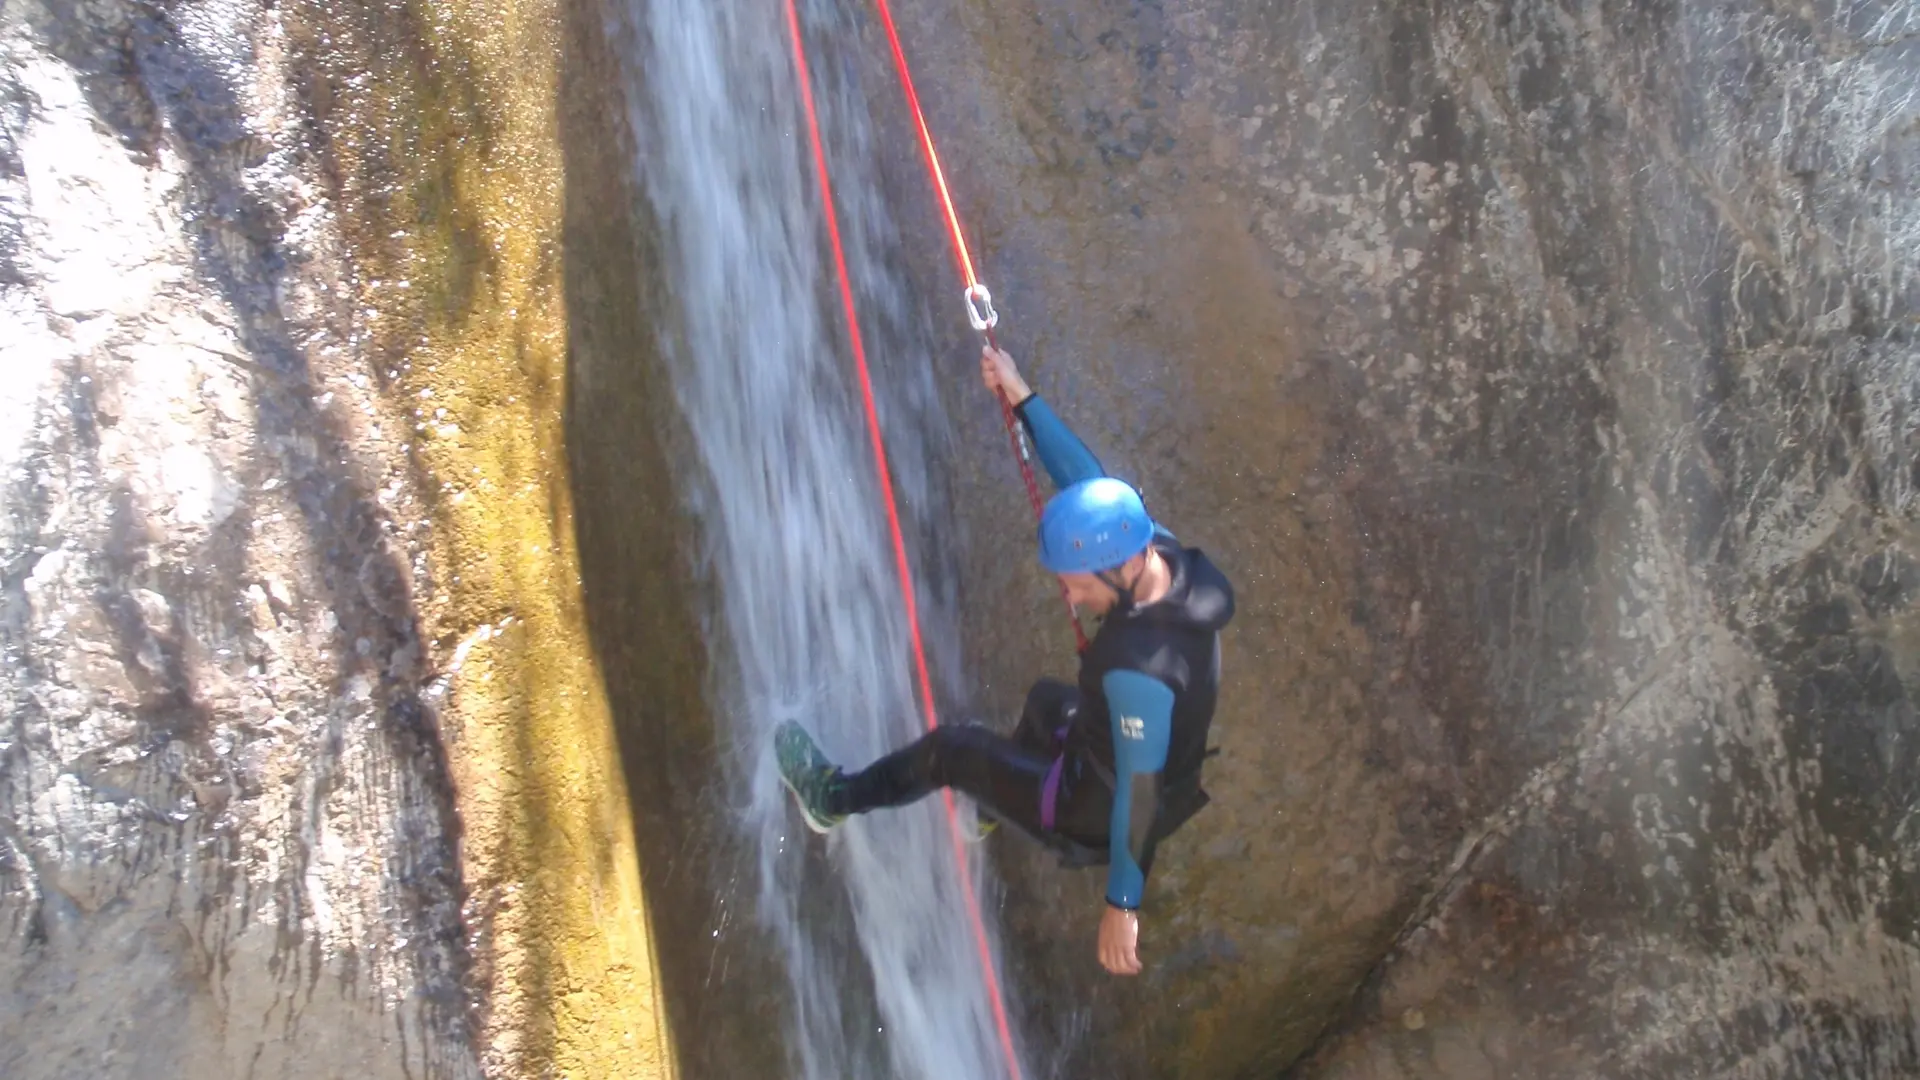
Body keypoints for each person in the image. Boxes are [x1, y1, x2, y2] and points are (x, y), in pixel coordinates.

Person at [774, 344, 1235, 977]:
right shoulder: (1160, 553)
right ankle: (990, 810)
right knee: (1049, 701)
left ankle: (832, 800)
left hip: (1090, 808)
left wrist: (1122, 905)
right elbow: (1084, 477)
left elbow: (1142, 792)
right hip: (1124, 760)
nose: (1068, 593)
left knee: (951, 751)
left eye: (1076, 581)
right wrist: (1022, 394)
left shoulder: (1138, 673)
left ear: (1120, 568)